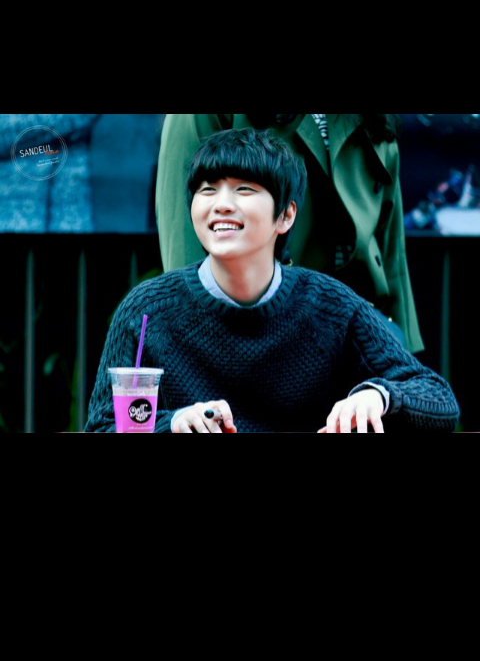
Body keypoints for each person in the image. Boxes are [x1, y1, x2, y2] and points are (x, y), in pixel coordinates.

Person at [86, 129, 459, 434]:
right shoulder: (146, 310)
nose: (221, 204)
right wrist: (173, 423)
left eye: (244, 189)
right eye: (208, 189)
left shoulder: (331, 306)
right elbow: (102, 426)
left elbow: (439, 399)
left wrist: (379, 395)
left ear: (286, 215)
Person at [156, 114, 424, 354]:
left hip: (359, 332)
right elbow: (183, 230)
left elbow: (390, 247)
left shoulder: (373, 120)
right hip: (259, 330)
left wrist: (402, 349)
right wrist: (197, 345)